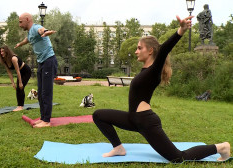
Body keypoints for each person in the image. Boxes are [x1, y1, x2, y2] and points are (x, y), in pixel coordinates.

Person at [92, 15, 230, 163]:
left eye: (139, 48)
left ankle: (221, 147)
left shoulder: (154, 69)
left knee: (179, 157)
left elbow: (164, 49)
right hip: (132, 119)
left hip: (146, 122)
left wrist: (181, 31)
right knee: (99, 115)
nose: (136, 51)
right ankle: (118, 148)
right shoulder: (145, 70)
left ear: (150, 50)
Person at [15, 12, 58, 128]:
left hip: (49, 61)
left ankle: (47, 121)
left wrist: (45, 32)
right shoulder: (30, 33)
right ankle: (43, 118)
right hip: (42, 63)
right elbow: (27, 39)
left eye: (20, 22)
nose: (19, 25)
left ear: (27, 19)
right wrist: (20, 44)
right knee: (40, 93)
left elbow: (41, 30)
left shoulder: (35, 28)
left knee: (46, 92)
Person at [0, 45, 31, 111]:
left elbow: (17, 71)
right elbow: (9, 72)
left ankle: (20, 106)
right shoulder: (5, 60)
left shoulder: (13, 58)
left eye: (3, 51)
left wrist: (20, 82)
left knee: (20, 87)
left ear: (7, 52)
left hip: (26, 71)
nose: (1, 53)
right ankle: (19, 105)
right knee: (18, 88)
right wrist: (12, 83)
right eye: (0, 52)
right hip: (20, 73)